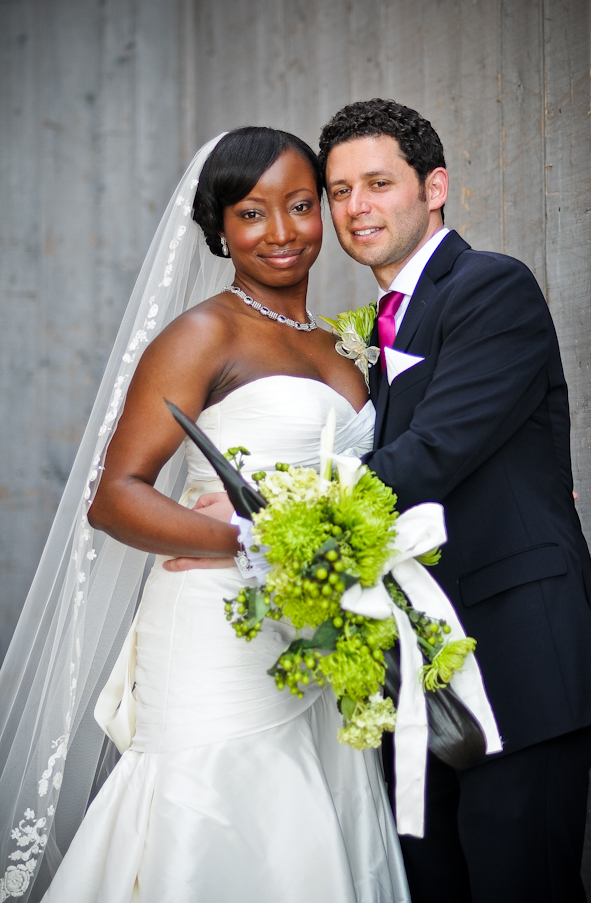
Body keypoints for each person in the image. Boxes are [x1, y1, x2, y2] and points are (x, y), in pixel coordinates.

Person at [0, 128, 409, 903]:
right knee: (215, 818)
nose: (283, 232)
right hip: (217, 626)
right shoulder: (202, 334)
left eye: (299, 205)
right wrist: (252, 538)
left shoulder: (344, 345)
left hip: (316, 634)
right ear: (219, 229)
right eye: (253, 214)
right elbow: (115, 494)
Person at [318, 98, 591, 903]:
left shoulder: (489, 286)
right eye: (339, 191)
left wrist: (279, 521)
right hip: (414, 673)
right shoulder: (367, 331)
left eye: (377, 183)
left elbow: (435, 451)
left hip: (516, 654)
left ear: (434, 186)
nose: (356, 207)